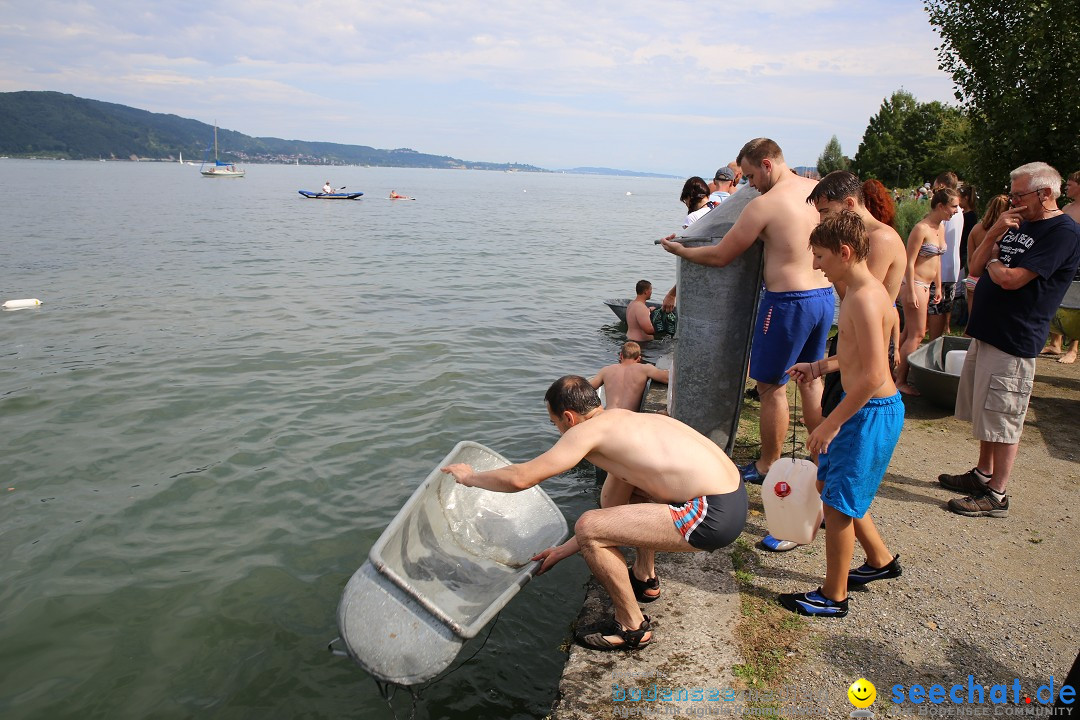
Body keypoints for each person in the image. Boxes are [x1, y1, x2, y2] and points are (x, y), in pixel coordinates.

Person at [441, 375, 746, 649]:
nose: (559, 431)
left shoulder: (584, 433)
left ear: (569, 418)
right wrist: (561, 551)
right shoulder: (626, 421)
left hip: (710, 514)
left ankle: (631, 628)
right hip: (733, 497)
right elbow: (612, 515)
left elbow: (522, 477)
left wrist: (470, 478)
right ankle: (645, 578)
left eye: (555, 423)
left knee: (588, 524)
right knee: (621, 502)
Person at [660, 138, 833, 484]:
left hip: (787, 303)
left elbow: (721, 255)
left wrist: (679, 249)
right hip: (824, 295)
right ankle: (822, 459)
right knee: (812, 380)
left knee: (772, 387)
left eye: (752, 176)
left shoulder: (764, 205)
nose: (750, 185)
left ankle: (768, 464)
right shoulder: (819, 192)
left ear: (767, 164)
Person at [780, 211, 904, 617]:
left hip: (868, 412)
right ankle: (880, 560)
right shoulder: (858, 291)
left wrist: (830, 423)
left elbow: (871, 376)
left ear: (845, 252)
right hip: (865, 409)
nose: (816, 264)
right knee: (832, 488)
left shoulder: (865, 299)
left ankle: (833, 597)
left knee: (836, 507)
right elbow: (854, 356)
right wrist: (819, 367)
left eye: (820, 256)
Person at [940, 162, 1080, 518]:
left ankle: (997, 493)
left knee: (1005, 415)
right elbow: (974, 266)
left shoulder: (1063, 231)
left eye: (1020, 195)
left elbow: (1012, 279)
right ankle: (982, 473)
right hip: (989, 330)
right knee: (986, 410)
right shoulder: (1018, 222)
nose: (1014, 201)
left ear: (1045, 193)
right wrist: (993, 235)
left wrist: (996, 265)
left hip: (1016, 336)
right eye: (1013, 194)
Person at [806, 171, 907, 421]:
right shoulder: (857, 238)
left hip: (869, 342)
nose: (821, 220)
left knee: (845, 420)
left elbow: (856, 294)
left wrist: (830, 262)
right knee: (830, 409)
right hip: (854, 335)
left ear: (850, 204)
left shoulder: (879, 238)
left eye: (826, 212)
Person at [894, 188, 957, 395]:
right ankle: (900, 381)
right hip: (916, 284)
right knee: (918, 334)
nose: (956, 211)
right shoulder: (921, 228)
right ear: (940, 206)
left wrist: (938, 286)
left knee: (908, 333)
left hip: (927, 286)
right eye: (953, 206)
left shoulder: (940, 228)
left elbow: (937, 259)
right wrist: (910, 290)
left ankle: (892, 372)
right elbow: (909, 262)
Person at [1042, 171, 1080, 363]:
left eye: (1071, 184)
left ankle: (1073, 349)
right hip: (1061, 259)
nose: (1067, 187)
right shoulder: (1066, 207)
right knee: (1057, 297)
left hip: (1078, 262)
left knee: (1076, 305)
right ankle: (1055, 343)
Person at [928, 172, 964, 341]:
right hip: (953, 265)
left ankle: (934, 340)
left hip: (940, 267)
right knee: (944, 307)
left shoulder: (945, 213)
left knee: (937, 308)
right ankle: (939, 336)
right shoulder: (959, 211)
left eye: (936, 187)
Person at [963, 194, 1010, 319]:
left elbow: (970, 258)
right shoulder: (1006, 231)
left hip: (972, 279)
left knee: (972, 322)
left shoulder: (976, 229)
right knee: (988, 322)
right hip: (990, 280)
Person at [590, 342, 669, 411]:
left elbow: (586, 388)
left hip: (608, 414)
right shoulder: (644, 369)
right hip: (629, 417)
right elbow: (667, 378)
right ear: (639, 358)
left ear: (621, 355)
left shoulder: (606, 370)